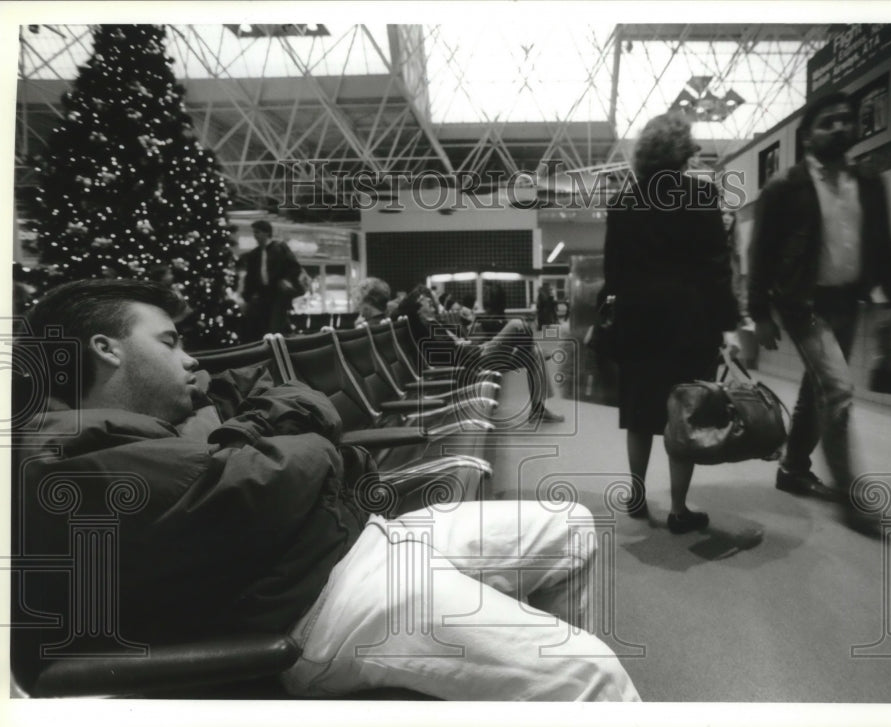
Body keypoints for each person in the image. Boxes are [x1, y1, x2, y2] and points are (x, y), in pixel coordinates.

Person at [12, 279, 639, 701]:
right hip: (322, 602)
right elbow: (294, 466)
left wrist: (253, 434)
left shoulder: (164, 415)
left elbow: (282, 407)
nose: (192, 361)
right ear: (106, 350)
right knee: (592, 670)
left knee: (572, 525)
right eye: (171, 343)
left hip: (352, 536)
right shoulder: (74, 465)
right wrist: (295, 443)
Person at [747, 91, 891, 534]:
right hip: (803, 304)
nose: (838, 128)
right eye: (827, 122)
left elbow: (883, 248)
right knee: (837, 388)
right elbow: (762, 253)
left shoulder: (870, 183)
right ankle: (853, 498)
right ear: (807, 135)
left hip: (849, 301)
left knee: (816, 390)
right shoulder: (784, 188)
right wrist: (759, 312)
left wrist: (890, 301)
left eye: (845, 120)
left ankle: (793, 469)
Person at [603, 111, 741, 534]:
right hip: (689, 324)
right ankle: (679, 509)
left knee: (639, 415)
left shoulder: (624, 201)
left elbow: (614, 273)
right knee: (684, 415)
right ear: (684, 149)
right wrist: (727, 325)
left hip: (638, 323)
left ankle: (636, 495)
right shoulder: (701, 196)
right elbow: (717, 270)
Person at [398, 286, 565, 424]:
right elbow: (443, 350)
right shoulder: (423, 327)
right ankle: (526, 349)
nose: (431, 303)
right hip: (472, 360)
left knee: (533, 354)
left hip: (475, 352)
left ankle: (538, 409)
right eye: (425, 302)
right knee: (517, 324)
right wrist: (460, 344)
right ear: (417, 309)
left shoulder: (436, 323)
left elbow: (458, 339)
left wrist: (464, 342)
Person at [239, 220, 305, 341]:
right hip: (263, 294)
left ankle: (277, 350)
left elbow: (294, 267)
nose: (255, 236)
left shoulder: (279, 248)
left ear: (266, 233)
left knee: (275, 326)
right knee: (261, 326)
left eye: (257, 232)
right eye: (254, 232)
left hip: (278, 293)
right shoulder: (254, 254)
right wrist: (247, 297)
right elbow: (250, 278)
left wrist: (286, 280)